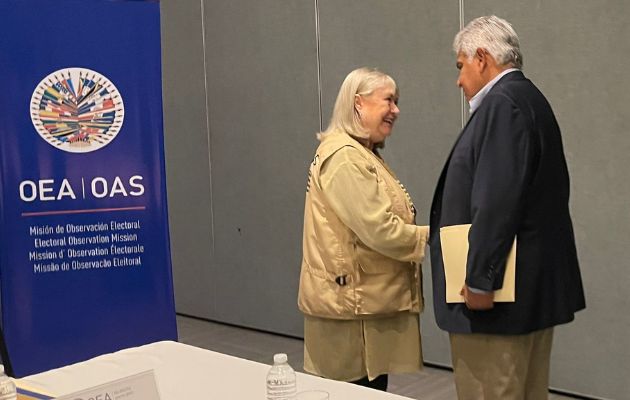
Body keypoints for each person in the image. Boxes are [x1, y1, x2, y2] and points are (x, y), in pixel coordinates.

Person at [429, 15, 586, 399]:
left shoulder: (503, 105)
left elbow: (496, 202)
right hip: (525, 291)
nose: (459, 80)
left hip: (499, 300)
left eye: (461, 66)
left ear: (482, 58)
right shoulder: (527, 98)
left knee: (491, 391)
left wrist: (482, 279)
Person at [297, 67, 429, 391]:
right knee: (354, 391)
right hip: (350, 314)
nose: (396, 110)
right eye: (388, 100)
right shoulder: (344, 157)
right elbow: (380, 229)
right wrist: (434, 239)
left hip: (358, 308)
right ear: (358, 104)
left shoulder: (359, 152)